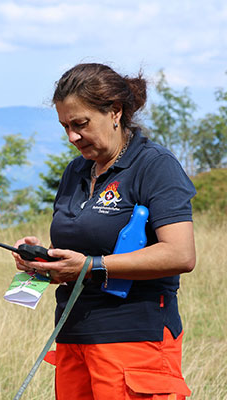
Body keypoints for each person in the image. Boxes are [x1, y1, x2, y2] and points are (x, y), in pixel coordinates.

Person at [13, 63, 196, 400]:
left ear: (115, 111)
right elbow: (80, 250)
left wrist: (91, 266)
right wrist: (45, 262)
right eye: (65, 126)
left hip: (136, 342)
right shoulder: (76, 171)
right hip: (72, 339)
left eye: (80, 124)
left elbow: (180, 254)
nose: (72, 137)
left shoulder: (155, 166)